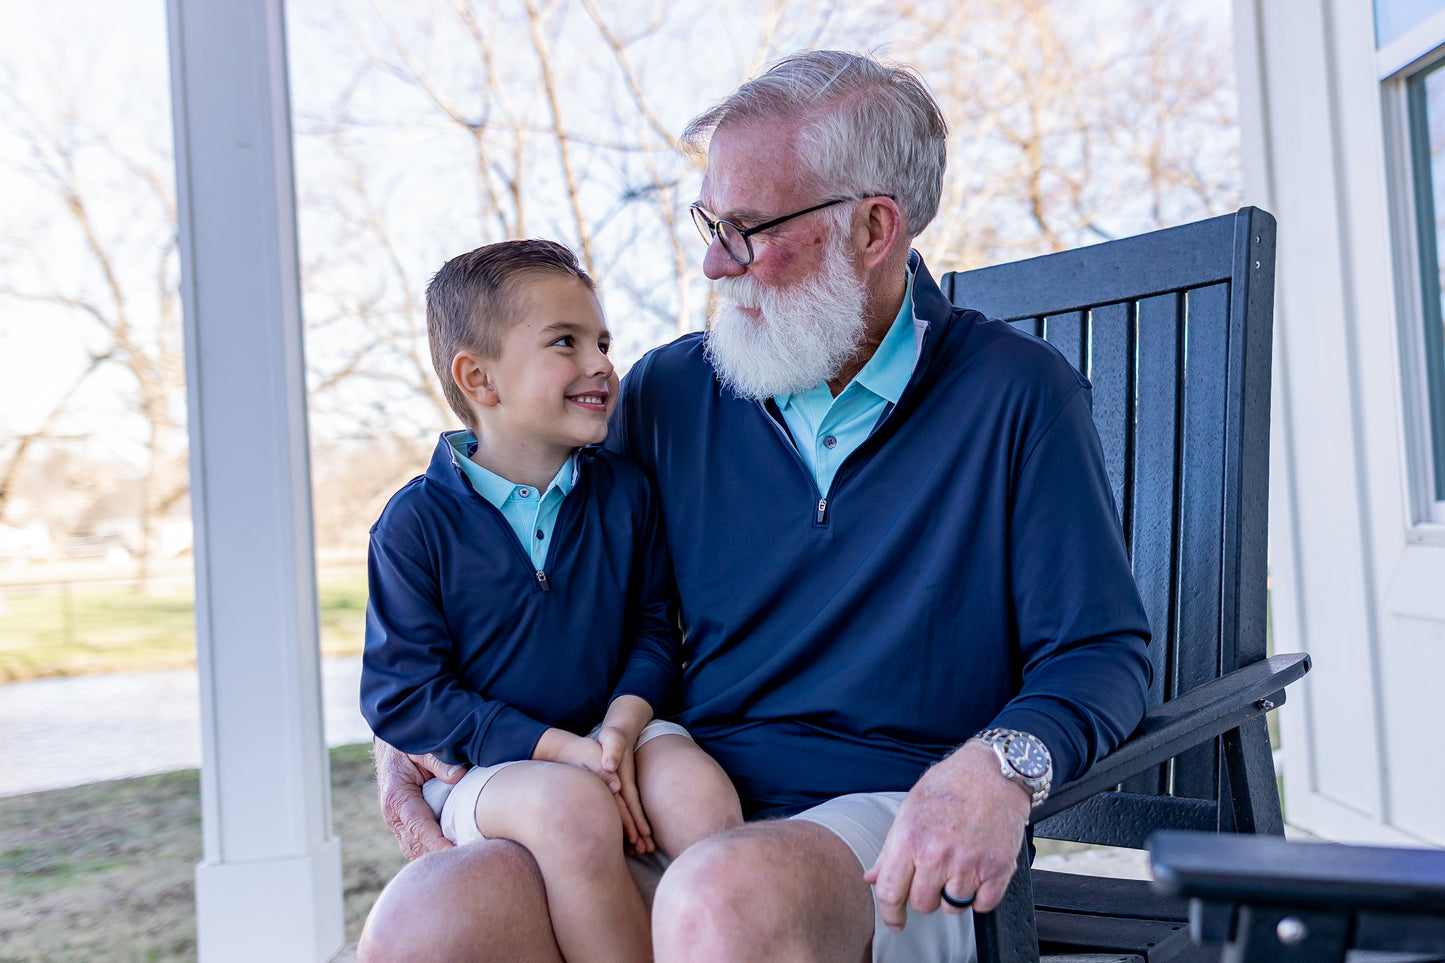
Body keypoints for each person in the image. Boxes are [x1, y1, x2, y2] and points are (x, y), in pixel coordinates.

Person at [361, 51, 1151, 963]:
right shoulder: (666, 394)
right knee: (428, 917)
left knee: (718, 899)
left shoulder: (1016, 395)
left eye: (745, 228)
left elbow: (1100, 651)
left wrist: (996, 767)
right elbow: (533, 583)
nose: (710, 260)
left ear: (872, 227)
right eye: (708, 221)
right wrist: (410, 736)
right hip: (674, 800)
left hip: (891, 822)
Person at [359, 239, 741, 963]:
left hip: (611, 728)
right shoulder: (414, 525)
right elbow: (404, 695)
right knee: (570, 810)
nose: (600, 362)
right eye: (565, 342)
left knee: (697, 796)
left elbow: (655, 632)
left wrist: (621, 726)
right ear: (479, 377)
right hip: (487, 768)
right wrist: (557, 750)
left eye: (601, 341)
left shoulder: (625, 493)